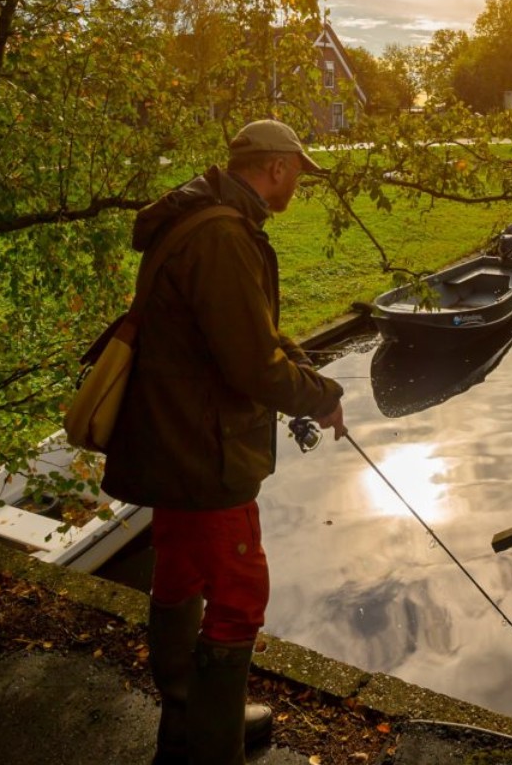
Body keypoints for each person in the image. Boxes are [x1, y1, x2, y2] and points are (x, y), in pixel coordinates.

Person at [101, 119, 346, 765]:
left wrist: (308, 374)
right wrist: (323, 399)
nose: (300, 183)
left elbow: (247, 334)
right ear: (274, 169)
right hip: (202, 447)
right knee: (240, 590)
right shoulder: (223, 237)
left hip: (171, 436)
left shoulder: (207, 220)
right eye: (299, 172)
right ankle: (214, 747)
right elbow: (252, 368)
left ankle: (184, 716)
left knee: (179, 571)